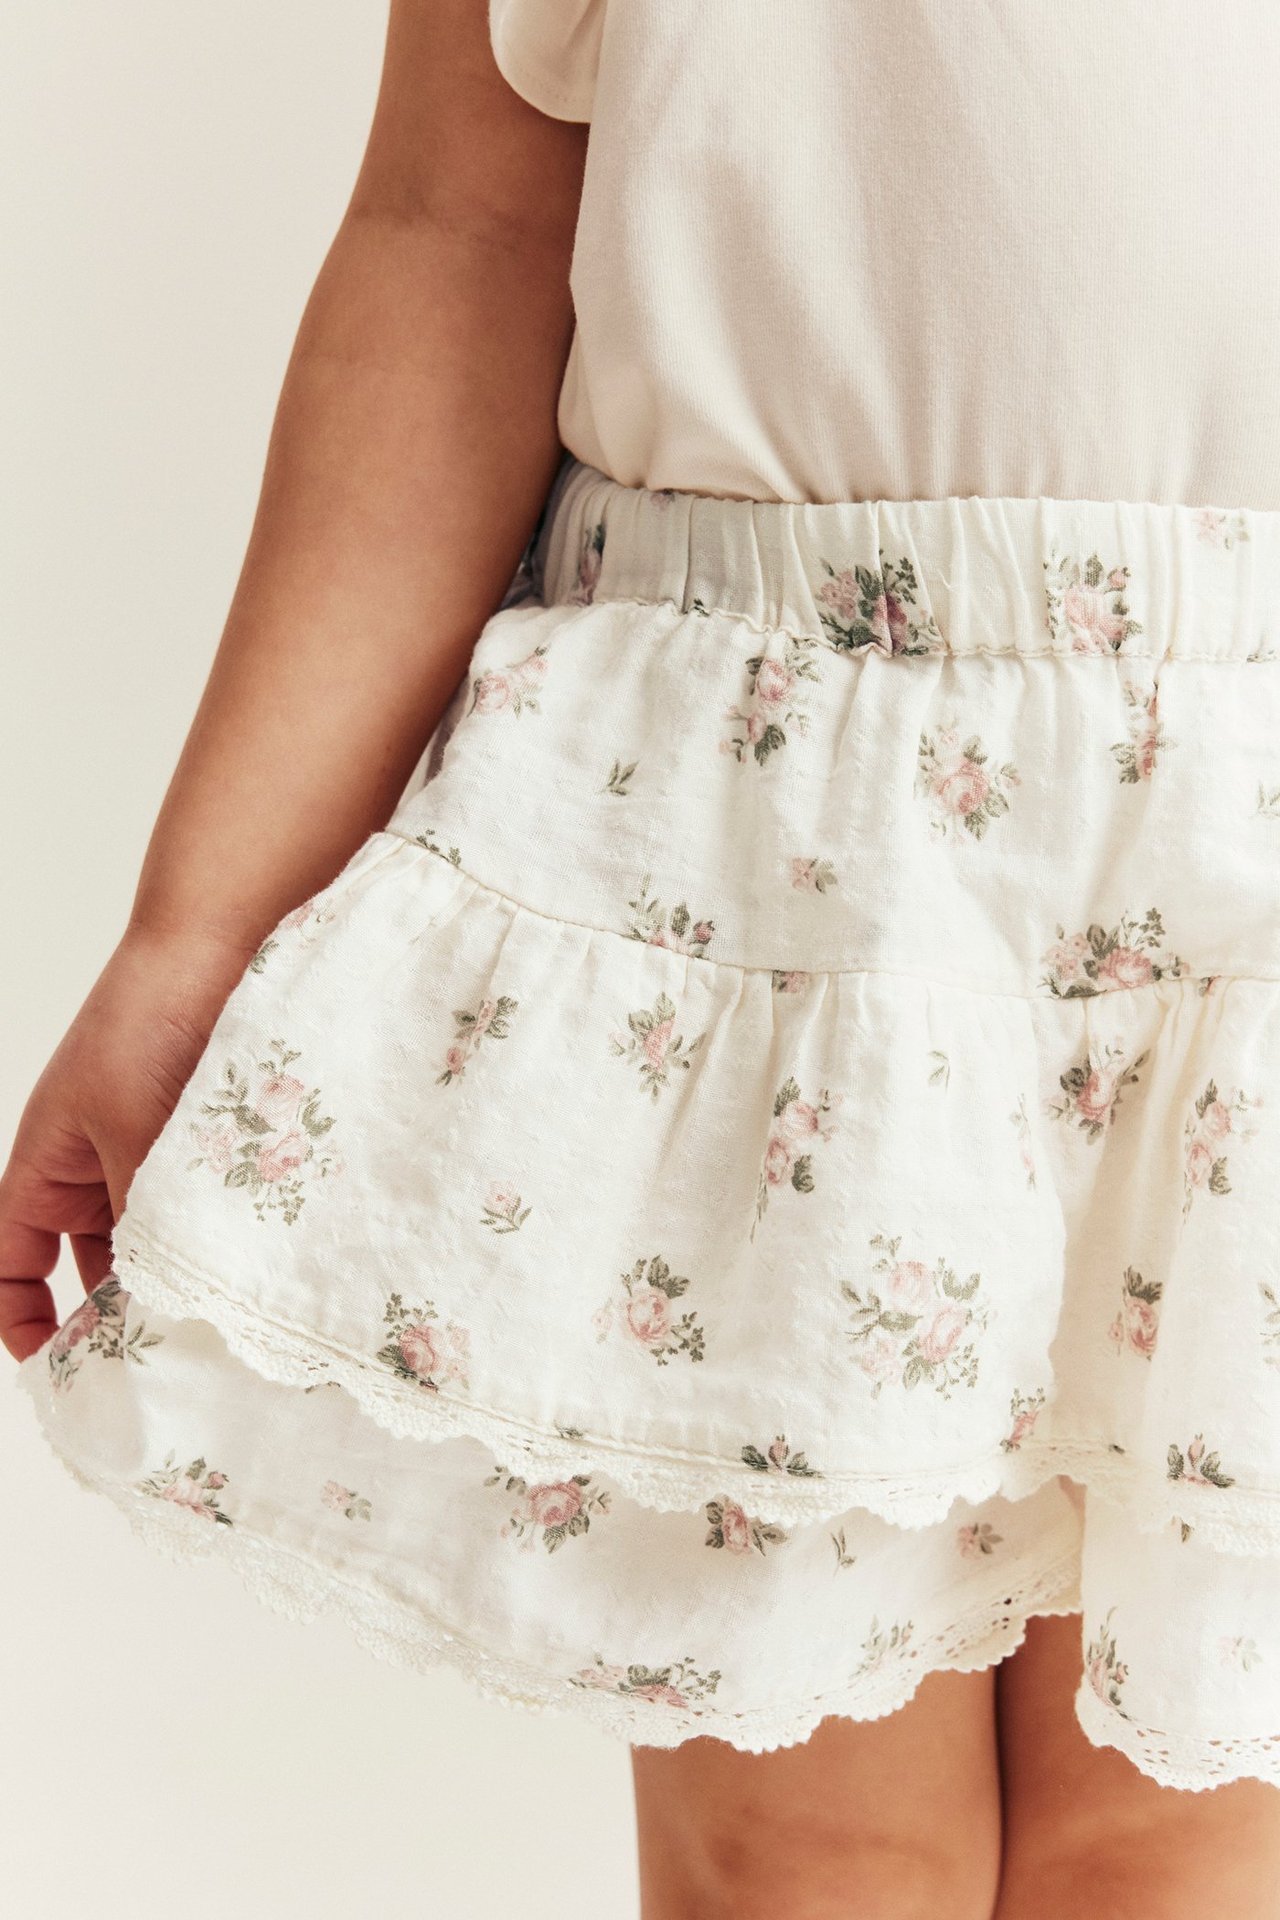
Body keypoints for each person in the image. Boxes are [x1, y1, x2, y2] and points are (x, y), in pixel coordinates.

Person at [4, 3, 1280, 1914]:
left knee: (1183, 1823)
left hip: (1242, 869)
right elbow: (457, 232)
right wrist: (200, 928)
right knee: (805, 1850)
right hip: (775, 858)